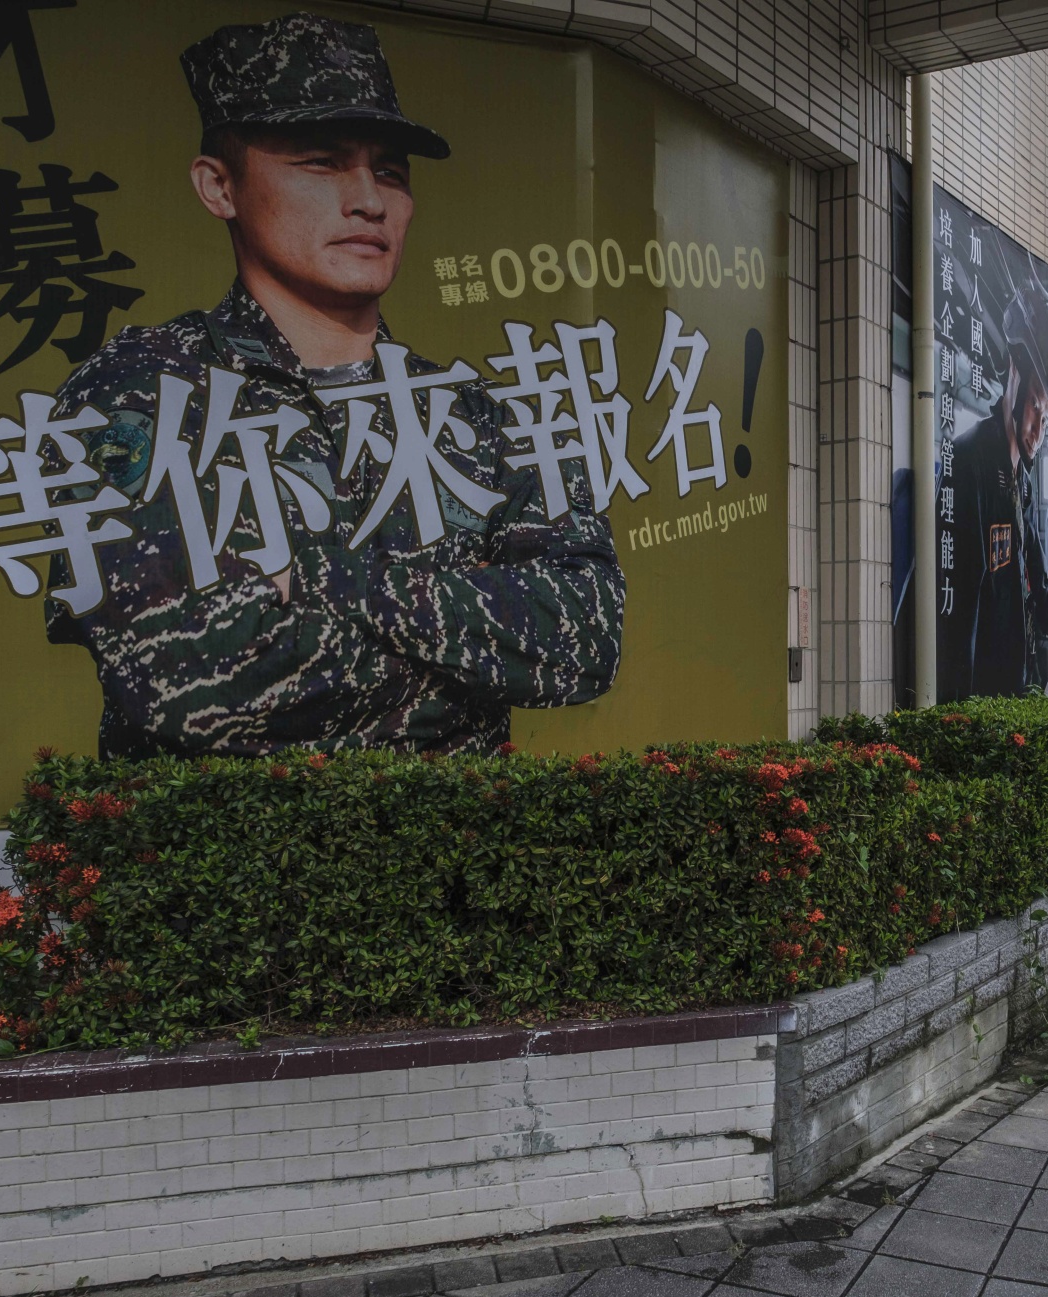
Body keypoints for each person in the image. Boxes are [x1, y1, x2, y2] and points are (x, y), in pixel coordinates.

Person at [44, 12, 625, 759]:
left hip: (454, 838)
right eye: (321, 163)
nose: (370, 201)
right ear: (219, 186)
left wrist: (320, 583)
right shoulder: (137, 393)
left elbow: (587, 637)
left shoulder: (480, 415)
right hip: (226, 837)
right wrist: (475, 650)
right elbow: (187, 682)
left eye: (391, 172)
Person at [943, 288, 1048, 699]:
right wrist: (960, 715)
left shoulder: (1021, 483)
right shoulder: (970, 460)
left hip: (1014, 689)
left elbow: (1039, 581)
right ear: (1014, 372)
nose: (1038, 431)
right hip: (980, 700)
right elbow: (958, 618)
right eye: (1034, 407)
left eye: (1047, 417)